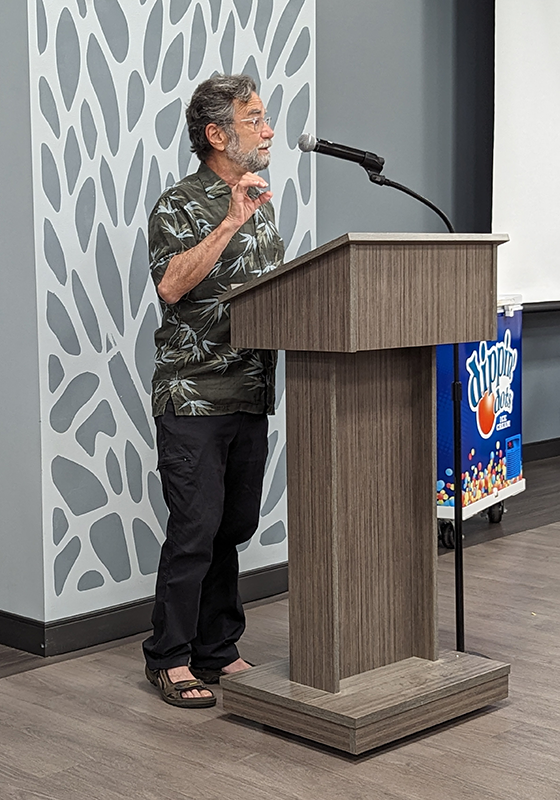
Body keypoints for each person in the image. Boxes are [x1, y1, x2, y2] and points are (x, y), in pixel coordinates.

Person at [142, 74, 284, 708]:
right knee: (195, 527)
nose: (269, 130)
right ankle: (168, 656)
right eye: (255, 119)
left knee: (233, 525)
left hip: (249, 392)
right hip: (193, 396)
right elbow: (173, 286)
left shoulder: (264, 201)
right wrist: (230, 220)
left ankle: (218, 648)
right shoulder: (180, 203)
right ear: (217, 135)